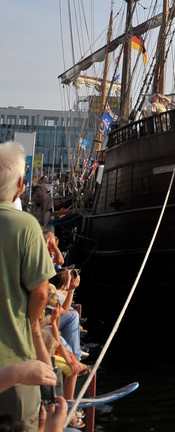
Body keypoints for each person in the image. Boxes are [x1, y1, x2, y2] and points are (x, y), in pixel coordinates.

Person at [0, 142, 56, 431]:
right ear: (21, 185)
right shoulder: (25, 226)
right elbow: (41, 291)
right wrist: (33, 323)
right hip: (15, 364)